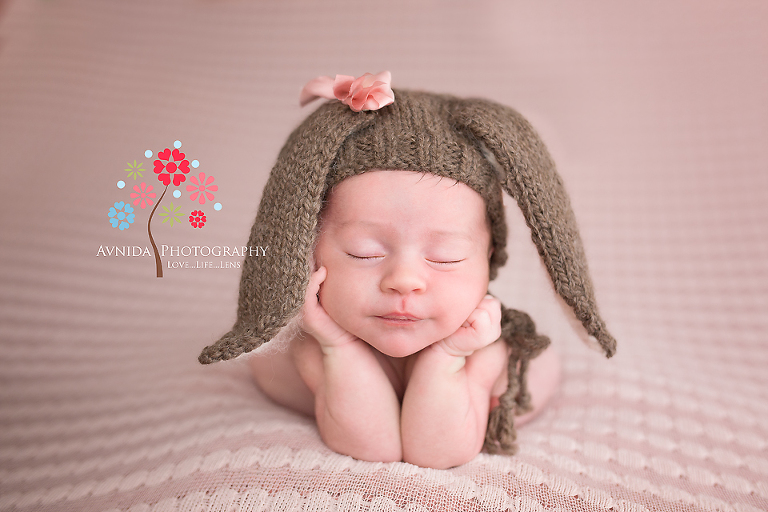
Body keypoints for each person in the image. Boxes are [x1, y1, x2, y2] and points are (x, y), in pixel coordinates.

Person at [198, 72, 616, 469]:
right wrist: (338, 345)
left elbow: (436, 451)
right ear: (306, 251)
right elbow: (374, 445)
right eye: (363, 252)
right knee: (272, 358)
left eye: (447, 256)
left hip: (474, 364)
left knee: (541, 364)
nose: (404, 280)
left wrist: (447, 355)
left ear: (488, 262)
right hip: (324, 348)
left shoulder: (485, 350)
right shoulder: (313, 348)